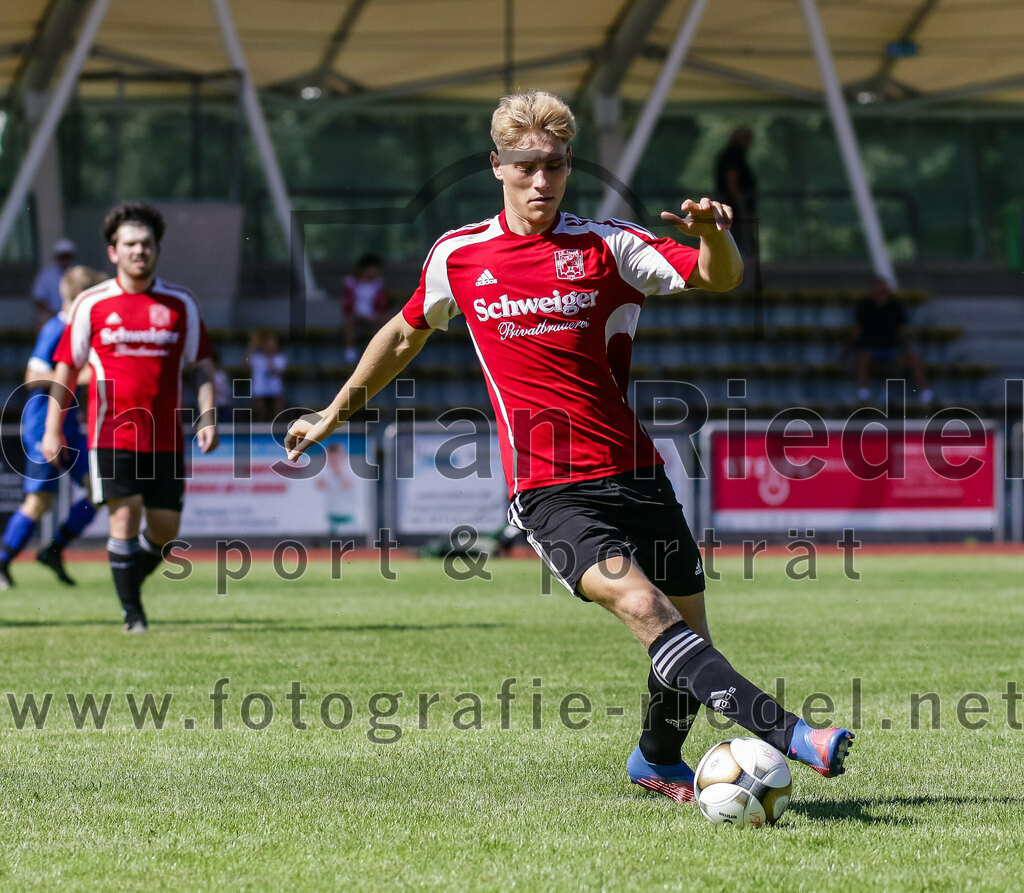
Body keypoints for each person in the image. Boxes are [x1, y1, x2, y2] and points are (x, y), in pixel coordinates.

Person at [285, 91, 853, 800]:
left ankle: (655, 757)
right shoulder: (459, 256)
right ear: (497, 166)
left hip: (638, 472)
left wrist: (712, 232)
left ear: (568, 165)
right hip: (550, 488)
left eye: (553, 165)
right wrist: (334, 413)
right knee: (648, 611)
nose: (540, 181)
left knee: (685, 637)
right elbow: (402, 335)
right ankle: (793, 733)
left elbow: (720, 276)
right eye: (525, 166)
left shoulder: (608, 245)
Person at [42, 201, 220, 633]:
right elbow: (66, 366)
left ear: (157, 248)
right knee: (126, 513)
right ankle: (132, 614)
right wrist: (51, 428)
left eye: (146, 243)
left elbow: (201, 365)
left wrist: (208, 415)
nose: (139, 251)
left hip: (166, 439)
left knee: (165, 531)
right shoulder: (92, 304)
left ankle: (127, 582)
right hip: (110, 434)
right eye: (130, 244)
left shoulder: (180, 303)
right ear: (112, 252)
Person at [0, 266, 106, 591]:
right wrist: (78, 378)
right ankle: (2, 562)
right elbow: (32, 378)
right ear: (82, 298)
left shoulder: (77, 330)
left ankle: (53, 549)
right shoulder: (56, 329)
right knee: (38, 502)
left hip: (69, 426)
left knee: (98, 491)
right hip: (44, 427)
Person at [849, 278, 933, 404]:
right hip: (870, 348)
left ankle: (925, 392)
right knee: (863, 357)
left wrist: (904, 350)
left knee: (914, 360)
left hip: (891, 349)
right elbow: (857, 331)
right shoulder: (865, 306)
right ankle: (863, 392)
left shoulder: (895, 306)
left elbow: (900, 332)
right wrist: (847, 351)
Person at [714, 127, 757, 256]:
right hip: (734, 208)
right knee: (736, 242)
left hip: (735, 206)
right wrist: (740, 204)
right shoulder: (733, 154)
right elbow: (732, 179)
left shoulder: (735, 154)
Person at [341, 252, 388, 364]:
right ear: (366, 269)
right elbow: (348, 306)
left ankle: (382, 352)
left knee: (389, 320)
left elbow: (382, 304)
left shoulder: (378, 283)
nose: (377, 272)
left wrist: (378, 314)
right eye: (375, 269)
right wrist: (365, 316)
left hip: (373, 316)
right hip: (356, 316)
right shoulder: (351, 283)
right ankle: (350, 350)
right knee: (349, 320)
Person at [31, 238, 77, 329]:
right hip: (51, 315)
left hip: (74, 314)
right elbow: (38, 299)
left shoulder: (78, 272)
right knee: (42, 320)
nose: (64, 259)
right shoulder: (46, 275)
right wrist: (54, 314)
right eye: (62, 256)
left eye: (67, 256)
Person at [248, 331, 287, 423]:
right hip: (260, 390)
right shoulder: (257, 357)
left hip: (275, 390)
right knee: (260, 408)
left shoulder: (280, 358)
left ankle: (277, 428)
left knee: (279, 407)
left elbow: (274, 372)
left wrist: (268, 357)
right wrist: (251, 346)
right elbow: (245, 361)